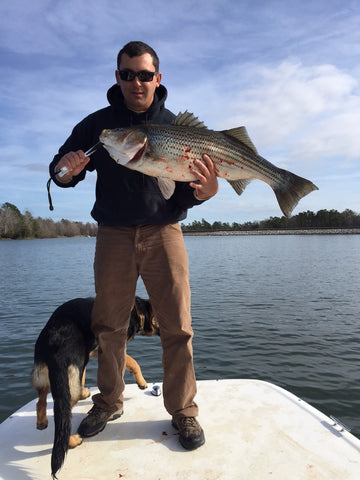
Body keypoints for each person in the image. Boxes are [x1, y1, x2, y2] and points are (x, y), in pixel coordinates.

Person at [49, 41, 219, 450]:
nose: (136, 82)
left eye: (144, 75)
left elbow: (183, 194)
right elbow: (59, 169)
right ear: (117, 77)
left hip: (165, 233)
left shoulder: (178, 128)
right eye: (128, 74)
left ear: (158, 79)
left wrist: (204, 193)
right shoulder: (98, 124)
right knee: (108, 325)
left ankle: (184, 412)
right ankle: (108, 402)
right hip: (113, 235)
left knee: (177, 326)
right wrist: (64, 172)